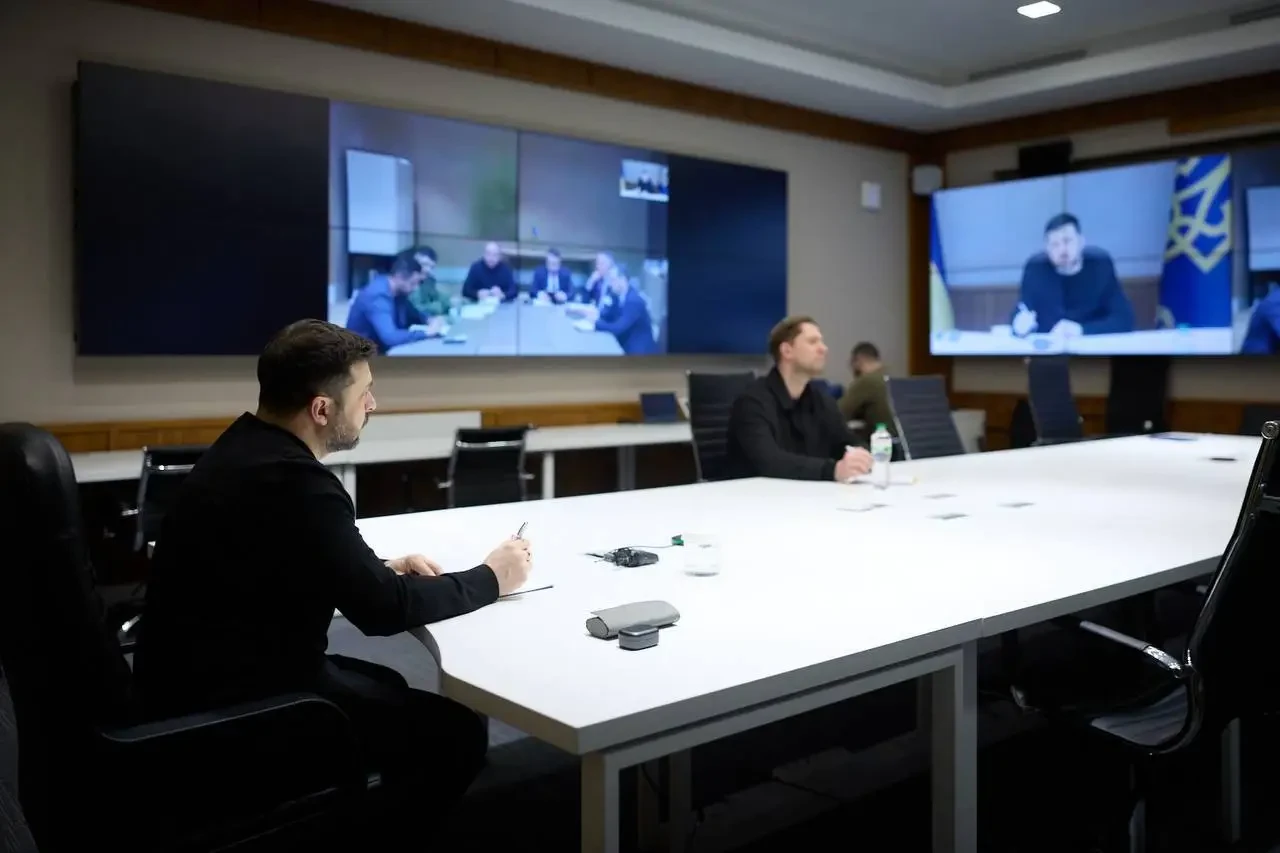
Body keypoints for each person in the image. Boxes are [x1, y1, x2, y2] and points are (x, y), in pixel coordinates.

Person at [134, 320, 534, 823]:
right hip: (246, 707)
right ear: (321, 409)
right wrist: (492, 576)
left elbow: (276, 556)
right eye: (364, 393)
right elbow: (384, 610)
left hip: (188, 686)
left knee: (386, 682)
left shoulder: (242, 449)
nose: (373, 404)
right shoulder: (301, 484)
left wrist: (378, 567)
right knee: (455, 734)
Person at [724, 316, 873, 481]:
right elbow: (768, 461)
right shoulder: (752, 402)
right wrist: (832, 470)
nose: (824, 348)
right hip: (757, 494)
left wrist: (860, 455)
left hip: (807, 492)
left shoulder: (821, 401)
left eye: (822, 341)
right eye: (812, 342)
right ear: (787, 351)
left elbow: (847, 441)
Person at [1011, 213, 1135, 339]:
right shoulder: (1035, 269)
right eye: (1055, 244)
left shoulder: (1100, 266)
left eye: (1067, 241)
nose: (1062, 250)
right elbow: (1023, 309)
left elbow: (1124, 319)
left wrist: (1081, 330)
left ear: (1081, 241)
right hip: (1049, 346)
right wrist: (1019, 324)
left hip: (1092, 344)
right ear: (1047, 248)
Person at [345, 249, 443, 354]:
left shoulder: (398, 293)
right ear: (399, 277)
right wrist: (426, 333)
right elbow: (390, 338)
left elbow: (414, 314)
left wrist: (429, 319)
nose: (415, 288)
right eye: (413, 283)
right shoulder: (377, 296)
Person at [574, 264, 657, 354]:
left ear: (623, 280)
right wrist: (595, 316)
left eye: (612, 280)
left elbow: (618, 328)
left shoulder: (634, 301)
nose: (610, 284)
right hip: (623, 342)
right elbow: (609, 316)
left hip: (639, 351)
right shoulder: (617, 295)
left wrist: (595, 324)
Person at [838, 341, 895, 435]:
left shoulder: (867, 381)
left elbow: (838, 414)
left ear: (858, 361)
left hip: (882, 441)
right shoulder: (892, 377)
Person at [409, 245, 452, 318]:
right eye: (424, 264)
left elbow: (442, 301)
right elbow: (413, 309)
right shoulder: (406, 282)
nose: (428, 270)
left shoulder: (429, 282)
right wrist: (435, 307)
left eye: (431, 267)